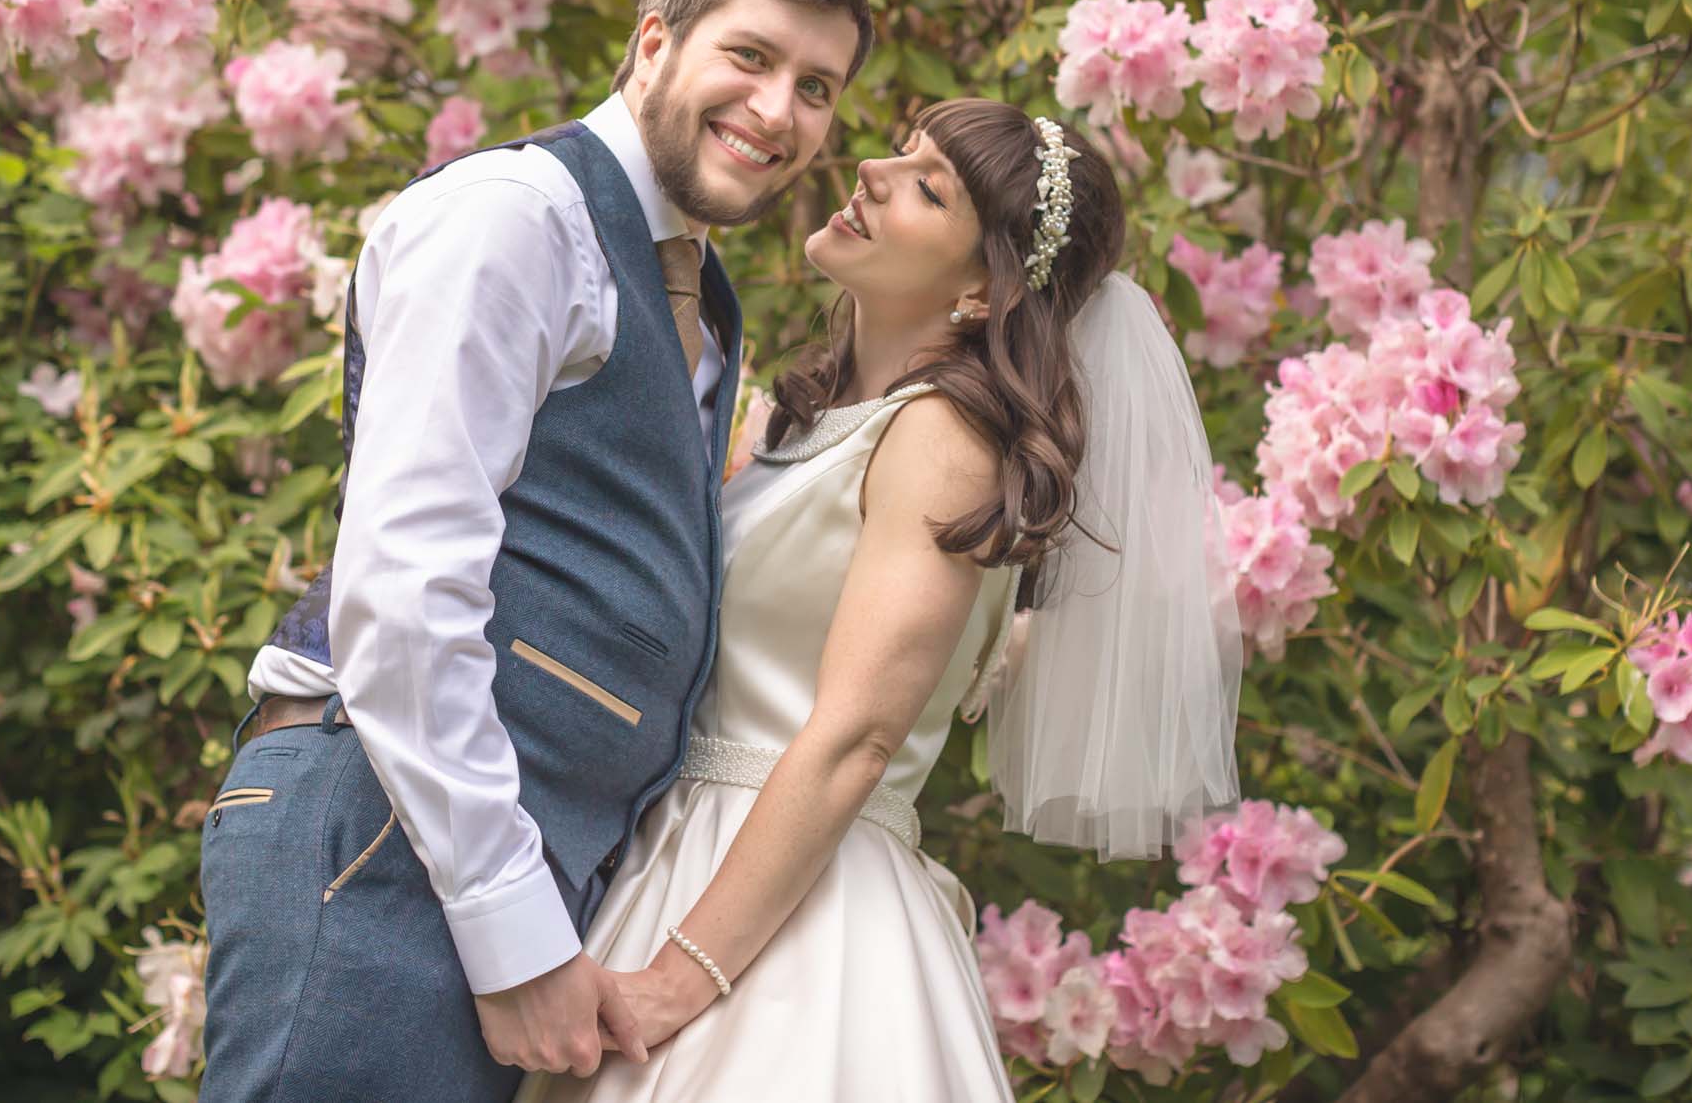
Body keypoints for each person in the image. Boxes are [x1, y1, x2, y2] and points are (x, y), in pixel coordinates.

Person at [196, 0, 875, 1103]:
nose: (779, 113)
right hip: (382, 832)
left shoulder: (701, 292)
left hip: (494, 859)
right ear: (654, 42)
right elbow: (405, 591)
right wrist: (513, 937)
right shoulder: (515, 218)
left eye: (816, 87)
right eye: (751, 57)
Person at [517, 99, 1247, 1101]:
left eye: (927, 184)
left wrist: (674, 981)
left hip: (788, 923)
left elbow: (856, 735)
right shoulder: (812, 425)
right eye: (901, 150)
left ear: (985, 294)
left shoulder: (945, 440)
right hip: (683, 859)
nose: (870, 168)